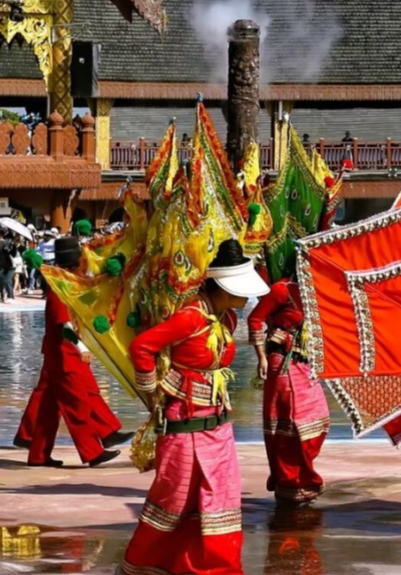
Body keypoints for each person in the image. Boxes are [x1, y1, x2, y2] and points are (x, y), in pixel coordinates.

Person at [119, 238, 267, 575]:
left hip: (218, 425)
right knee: (173, 501)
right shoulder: (190, 318)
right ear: (224, 288)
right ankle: (144, 566)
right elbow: (142, 347)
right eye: (242, 291)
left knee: (221, 501)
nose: (247, 298)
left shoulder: (226, 319)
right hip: (183, 423)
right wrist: (152, 392)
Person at [20, 235, 126, 468]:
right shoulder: (60, 288)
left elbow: (87, 300)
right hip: (64, 354)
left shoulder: (67, 283)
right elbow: (64, 325)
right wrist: (82, 347)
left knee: (49, 408)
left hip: (59, 353)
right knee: (77, 404)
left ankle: (38, 455)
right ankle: (92, 452)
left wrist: (109, 280)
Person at [249, 276, 330, 506]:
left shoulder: (318, 289)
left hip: (304, 364)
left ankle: (299, 479)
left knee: (317, 420)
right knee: (290, 423)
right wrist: (261, 357)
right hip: (283, 363)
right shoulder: (281, 290)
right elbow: (255, 319)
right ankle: (291, 484)